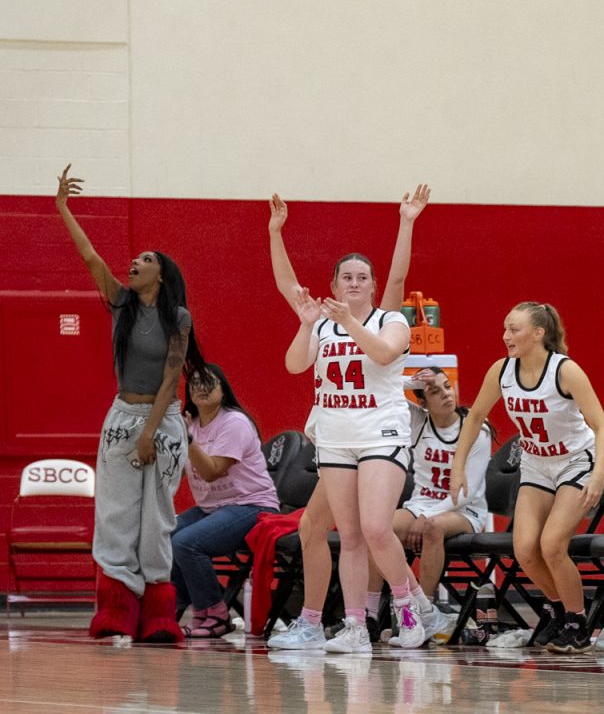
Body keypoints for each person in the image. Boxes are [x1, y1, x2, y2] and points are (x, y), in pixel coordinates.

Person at [266, 187, 441, 650]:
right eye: (347, 276)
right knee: (350, 536)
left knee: (378, 528)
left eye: (363, 277)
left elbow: (383, 352)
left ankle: (409, 612)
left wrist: (406, 222)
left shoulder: (390, 322)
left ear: (371, 284)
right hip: (336, 439)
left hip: (380, 436)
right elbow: (293, 362)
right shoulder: (320, 323)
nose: (356, 282)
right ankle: (355, 628)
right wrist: (275, 232)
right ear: (336, 284)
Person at [55, 164, 205, 643]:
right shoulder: (120, 304)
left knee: (156, 518)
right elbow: (89, 256)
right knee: (116, 514)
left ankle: (159, 613)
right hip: (121, 417)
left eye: (145, 259)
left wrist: (149, 434)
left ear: (161, 274)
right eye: (134, 259)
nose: (133, 263)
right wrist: (61, 207)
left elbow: (170, 381)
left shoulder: (178, 317)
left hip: (159, 424)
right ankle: (116, 610)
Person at [451, 302, 604, 654]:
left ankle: (578, 622)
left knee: (552, 544)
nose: (506, 336)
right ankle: (558, 609)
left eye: (515, 329)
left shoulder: (565, 371)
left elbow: (602, 427)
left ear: (539, 333)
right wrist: (458, 465)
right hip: (537, 464)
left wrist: (598, 474)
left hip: (575, 461)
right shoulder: (501, 371)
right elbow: (475, 416)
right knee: (524, 549)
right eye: (505, 328)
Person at [174, 364, 279, 637]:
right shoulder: (191, 423)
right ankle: (172, 611)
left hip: (253, 506)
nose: (201, 387)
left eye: (209, 382)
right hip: (213, 508)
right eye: (195, 382)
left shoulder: (234, 422)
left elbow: (211, 472)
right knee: (165, 534)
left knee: (186, 543)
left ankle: (215, 614)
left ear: (224, 389)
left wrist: (187, 439)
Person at [390, 367, 491, 615]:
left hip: (465, 511)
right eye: (435, 391)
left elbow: (466, 492)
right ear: (423, 402)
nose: (446, 394)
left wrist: (426, 517)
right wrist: (412, 381)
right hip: (421, 504)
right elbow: (385, 389)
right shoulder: (418, 421)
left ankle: (425, 610)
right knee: (378, 529)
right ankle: (373, 612)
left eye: (447, 386)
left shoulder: (477, 428)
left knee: (434, 526)